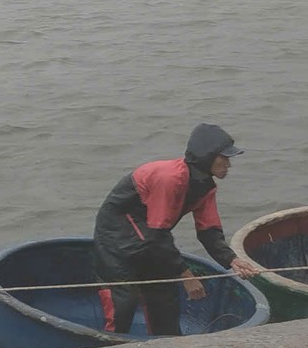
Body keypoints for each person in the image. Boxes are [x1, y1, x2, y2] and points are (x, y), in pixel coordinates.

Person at [92, 123, 261, 336]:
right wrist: (186, 274)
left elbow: (209, 231)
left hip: (153, 235)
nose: (228, 164)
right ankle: (112, 347)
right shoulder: (170, 178)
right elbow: (157, 232)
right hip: (117, 234)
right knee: (123, 298)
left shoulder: (205, 187)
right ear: (206, 157)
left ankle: (168, 345)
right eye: (224, 158)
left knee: (165, 295)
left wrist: (232, 260)